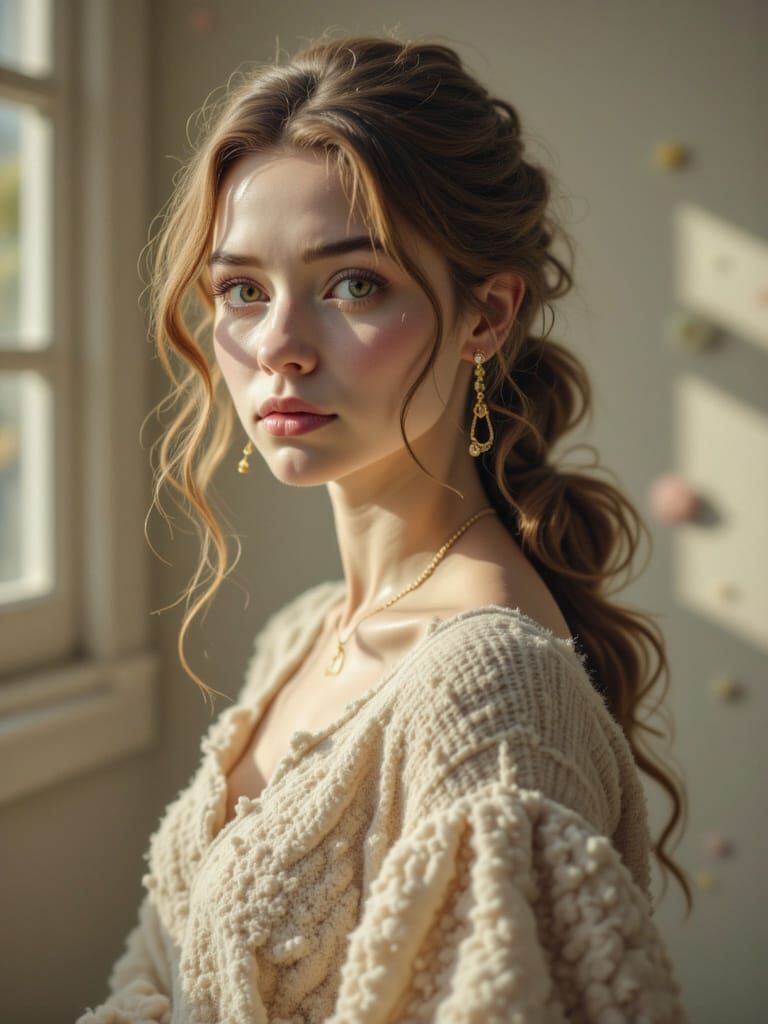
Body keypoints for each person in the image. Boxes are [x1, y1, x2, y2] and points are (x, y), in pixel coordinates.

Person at [77, 33, 691, 1023]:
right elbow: (158, 983)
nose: (277, 346)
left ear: (485, 316)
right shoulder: (307, 631)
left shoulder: (493, 693)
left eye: (353, 283)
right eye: (242, 289)